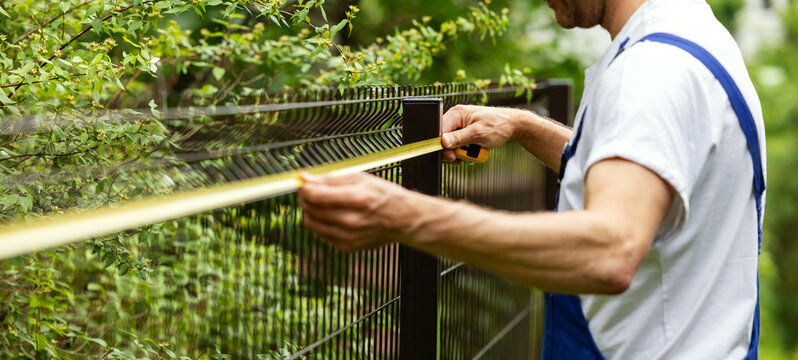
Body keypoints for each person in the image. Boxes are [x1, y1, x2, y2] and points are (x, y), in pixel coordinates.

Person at [298, 0, 766, 358]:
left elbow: (610, 249)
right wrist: (523, 126)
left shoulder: (652, 72)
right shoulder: (698, 38)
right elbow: (644, 179)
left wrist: (404, 216)